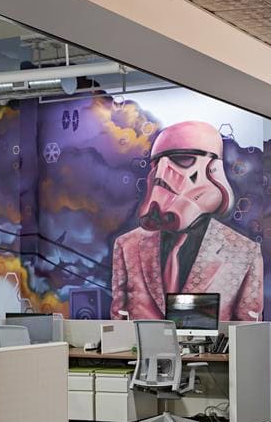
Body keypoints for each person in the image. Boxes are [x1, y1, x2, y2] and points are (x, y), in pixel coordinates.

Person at [111, 120, 262, 321]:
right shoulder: (127, 245)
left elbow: (248, 330)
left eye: (182, 159)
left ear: (213, 169)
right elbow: (119, 319)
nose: (163, 174)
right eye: (157, 164)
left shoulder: (242, 251)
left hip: (210, 343)